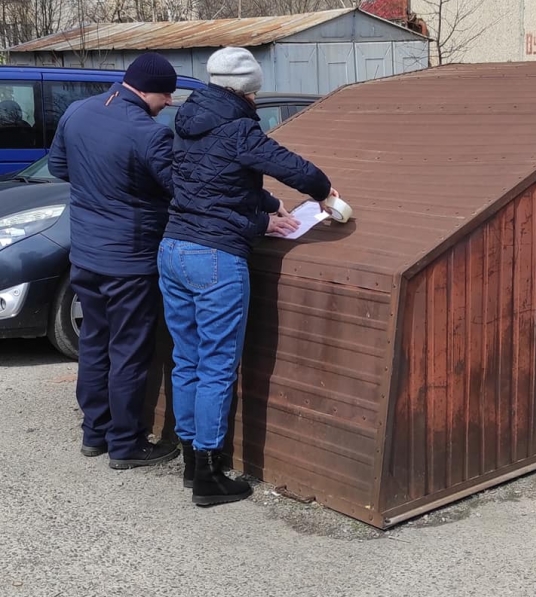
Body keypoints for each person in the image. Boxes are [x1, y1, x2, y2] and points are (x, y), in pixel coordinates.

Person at [158, 46, 336, 507]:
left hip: (173, 249)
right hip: (215, 258)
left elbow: (207, 183)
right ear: (246, 90)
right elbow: (289, 166)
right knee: (217, 366)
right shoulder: (239, 127)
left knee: (187, 360)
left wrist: (266, 209)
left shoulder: (186, 121)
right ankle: (210, 475)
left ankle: (190, 462)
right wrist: (324, 191)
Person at [49, 53, 181, 470]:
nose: (168, 102)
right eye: (165, 94)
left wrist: (100, 188)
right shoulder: (149, 133)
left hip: (85, 255)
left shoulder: (77, 111)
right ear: (146, 90)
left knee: (94, 342)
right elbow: (177, 189)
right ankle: (126, 444)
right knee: (128, 351)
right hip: (130, 260)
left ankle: (95, 433)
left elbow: (58, 167)